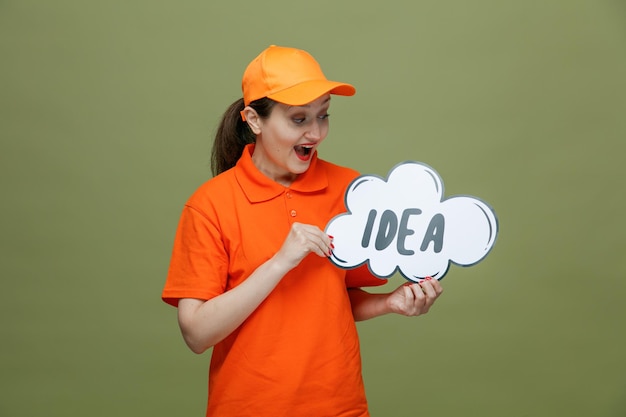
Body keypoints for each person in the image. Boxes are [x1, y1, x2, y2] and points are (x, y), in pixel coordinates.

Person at [162, 45, 444, 417]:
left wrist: (389, 302)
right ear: (254, 120)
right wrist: (280, 262)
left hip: (339, 406)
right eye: (299, 119)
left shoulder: (351, 191)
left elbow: (334, 296)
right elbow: (197, 334)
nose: (316, 132)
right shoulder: (210, 204)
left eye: (323, 116)